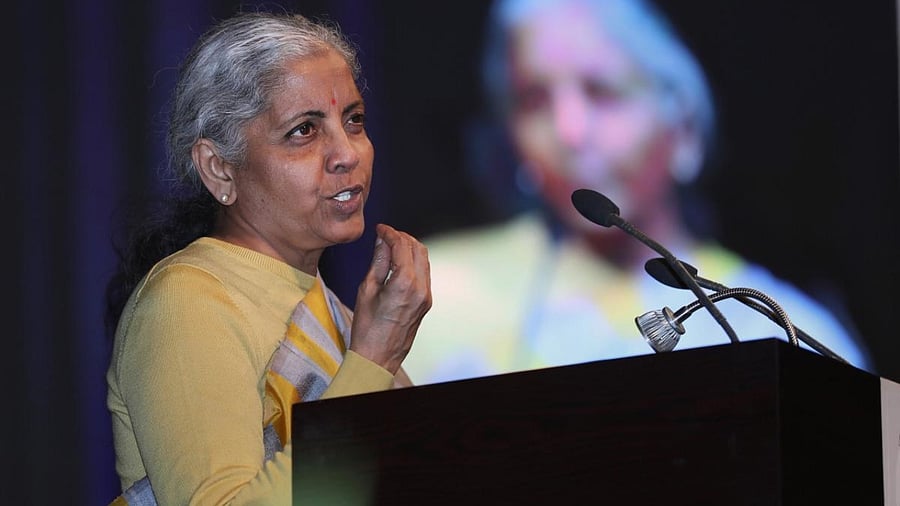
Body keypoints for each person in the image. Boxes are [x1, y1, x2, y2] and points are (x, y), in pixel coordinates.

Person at [402, 0, 871, 385]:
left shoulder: (774, 326)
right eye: (534, 99)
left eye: (603, 92)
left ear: (685, 126)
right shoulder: (434, 296)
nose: (568, 131)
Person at [104, 12, 431, 505]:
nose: (347, 153)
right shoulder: (188, 302)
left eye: (354, 120)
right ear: (218, 169)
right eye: (304, 131)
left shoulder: (331, 308)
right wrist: (372, 360)